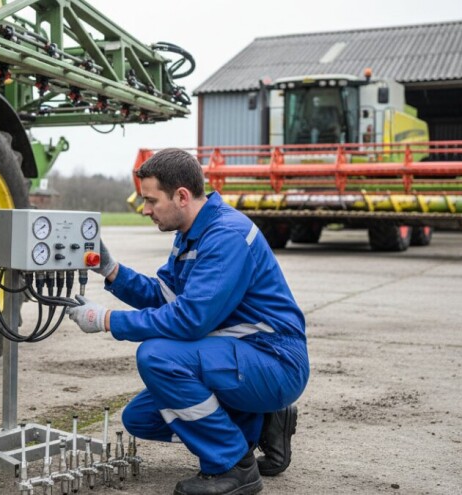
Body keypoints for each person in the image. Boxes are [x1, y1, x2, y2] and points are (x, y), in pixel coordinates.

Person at [66, 148, 309, 495]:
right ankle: (263, 420)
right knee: (140, 418)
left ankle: (233, 466)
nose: (145, 209)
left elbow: (190, 319)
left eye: (151, 200)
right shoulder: (191, 233)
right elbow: (164, 294)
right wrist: (111, 270)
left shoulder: (226, 236)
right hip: (240, 358)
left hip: (274, 361)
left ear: (181, 196)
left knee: (158, 357)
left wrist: (107, 320)